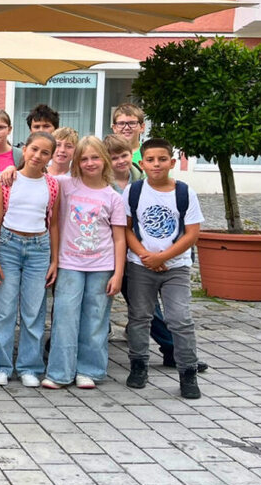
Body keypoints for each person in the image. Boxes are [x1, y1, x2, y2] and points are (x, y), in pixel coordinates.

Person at [42, 135, 125, 390]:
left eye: (95, 157)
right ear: (77, 162)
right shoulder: (66, 184)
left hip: (102, 266)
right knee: (65, 317)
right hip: (69, 262)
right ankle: (60, 371)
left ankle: (89, 370)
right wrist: (13, 169)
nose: (90, 163)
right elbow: (35, 176)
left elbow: (120, 239)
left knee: (95, 318)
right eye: (84, 158)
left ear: (105, 160)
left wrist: (118, 274)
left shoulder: (114, 197)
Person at [123, 138, 204, 399]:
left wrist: (164, 257)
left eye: (161, 159)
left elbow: (191, 234)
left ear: (172, 162)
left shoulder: (184, 192)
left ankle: (187, 372)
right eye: (150, 160)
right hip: (140, 265)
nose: (156, 164)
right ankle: (138, 365)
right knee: (139, 317)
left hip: (176, 267)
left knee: (180, 319)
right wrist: (146, 255)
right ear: (141, 163)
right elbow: (125, 228)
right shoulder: (133, 191)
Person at [0, 131, 60, 388]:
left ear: (50, 157)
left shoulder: (52, 184)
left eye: (45, 153)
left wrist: (54, 260)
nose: (38, 156)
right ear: (24, 149)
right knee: (4, 309)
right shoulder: (8, 180)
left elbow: (53, 223)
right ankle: (2, 365)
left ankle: (30, 366)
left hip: (39, 248)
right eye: (34, 149)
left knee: (33, 311)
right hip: (8, 245)